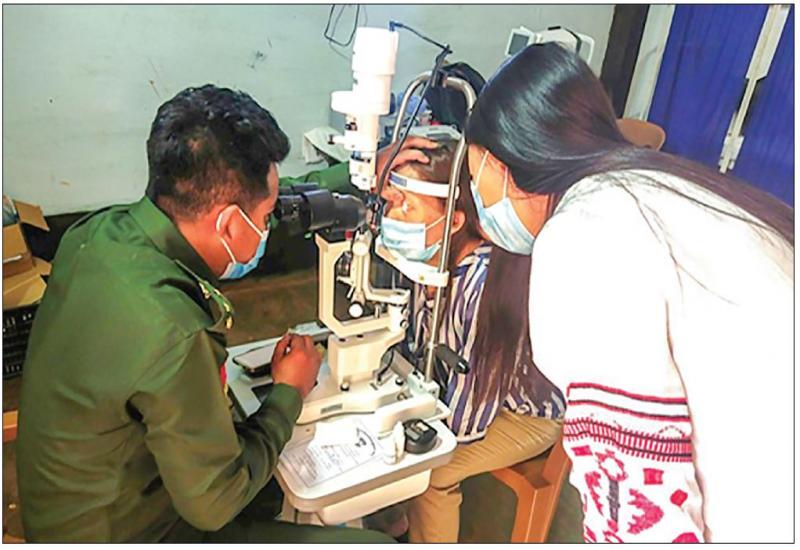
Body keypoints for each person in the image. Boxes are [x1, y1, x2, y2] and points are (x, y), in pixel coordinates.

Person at [15, 84, 418, 543]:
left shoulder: (98, 233)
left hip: (79, 501)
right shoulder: (174, 330)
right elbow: (216, 502)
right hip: (131, 532)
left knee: (274, 479)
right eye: (264, 218)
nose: (268, 226)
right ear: (227, 223)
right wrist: (288, 393)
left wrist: (358, 174)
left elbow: (266, 202)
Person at [461, 43, 793, 542]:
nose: (477, 199)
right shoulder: (663, 188)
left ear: (502, 165)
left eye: (475, 179)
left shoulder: (586, 239)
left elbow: (640, 512)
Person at [375, 139, 564, 543]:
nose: (394, 218)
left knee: (430, 473)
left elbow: (471, 411)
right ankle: (395, 523)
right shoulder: (427, 257)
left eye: (408, 207)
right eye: (392, 203)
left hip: (522, 414)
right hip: (460, 392)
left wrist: (415, 441)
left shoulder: (480, 287)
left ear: (455, 220)